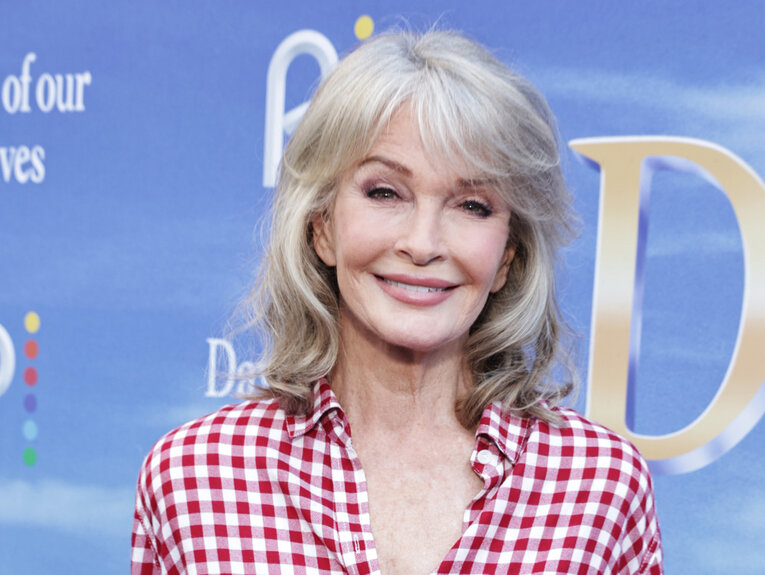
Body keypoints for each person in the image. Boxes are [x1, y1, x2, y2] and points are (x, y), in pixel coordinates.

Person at [132, 29, 663, 575]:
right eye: (385, 193)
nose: (423, 243)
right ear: (322, 226)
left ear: (508, 255)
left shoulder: (599, 487)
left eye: (472, 205)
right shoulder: (195, 478)